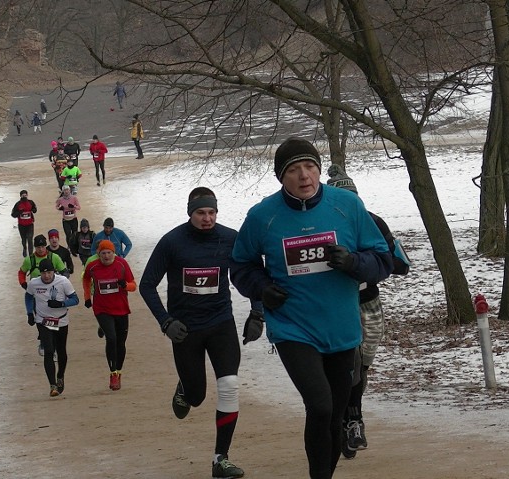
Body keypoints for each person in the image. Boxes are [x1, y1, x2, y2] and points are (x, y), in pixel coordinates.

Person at [230, 137, 392, 479]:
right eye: (293, 169)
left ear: (319, 170)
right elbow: (241, 265)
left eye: (310, 167)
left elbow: (383, 260)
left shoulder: (346, 206)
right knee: (319, 404)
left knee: (333, 414)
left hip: (342, 325)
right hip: (293, 325)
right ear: (281, 177)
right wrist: (261, 289)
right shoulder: (263, 216)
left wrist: (353, 262)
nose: (304, 176)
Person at [139, 187, 263, 479]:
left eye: (211, 212)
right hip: (185, 330)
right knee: (197, 396)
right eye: (201, 213)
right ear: (190, 213)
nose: (207, 218)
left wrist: (258, 313)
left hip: (221, 324)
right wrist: (166, 322)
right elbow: (146, 285)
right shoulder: (172, 242)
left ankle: (221, 459)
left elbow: (252, 275)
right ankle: (186, 389)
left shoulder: (231, 239)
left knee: (230, 386)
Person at [327, 164, 390, 458]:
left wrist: (365, 262)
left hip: (369, 302)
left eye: (354, 197)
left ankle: (346, 416)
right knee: (349, 366)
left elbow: (395, 263)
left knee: (361, 367)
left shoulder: (373, 221)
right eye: (344, 198)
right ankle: (352, 421)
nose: (350, 204)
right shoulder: (324, 226)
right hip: (338, 306)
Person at [82, 239, 137, 390]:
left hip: (121, 308)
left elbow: (133, 285)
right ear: (98, 254)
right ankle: (113, 373)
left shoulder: (121, 264)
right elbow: (86, 279)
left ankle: (119, 371)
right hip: (102, 309)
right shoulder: (92, 266)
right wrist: (87, 297)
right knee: (111, 338)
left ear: (114, 253)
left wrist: (125, 285)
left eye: (109, 253)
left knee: (120, 343)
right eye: (103, 253)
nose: (106, 256)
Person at [25, 258, 78, 397]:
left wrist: (60, 304)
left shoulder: (63, 282)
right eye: (43, 273)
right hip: (43, 321)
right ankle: (52, 385)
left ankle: (60, 375)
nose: (46, 276)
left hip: (60, 321)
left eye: (49, 272)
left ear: (54, 271)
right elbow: (28, 297)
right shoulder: (34, 283)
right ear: (39, 274)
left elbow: (75, 299)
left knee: (61, 352)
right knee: (48, 350)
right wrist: (30, 313)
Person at [19, 234, 69, 357]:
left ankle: (52, 343)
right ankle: (44, 340)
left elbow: (64, 272)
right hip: (37, 295)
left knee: (53, 317)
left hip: (53, 294)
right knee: (40, 318)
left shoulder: (54, 257)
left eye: (42, 246)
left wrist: (62, 283)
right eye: (38, 247)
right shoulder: (29, 260)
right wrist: (24, 284)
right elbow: (21, 272)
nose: (40, 249)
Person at [11, 190, 37, 257]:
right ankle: (24, 248)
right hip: (21, 225)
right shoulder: (17, 204)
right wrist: (19, 212)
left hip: (30, 224)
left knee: (30, 239)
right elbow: (13, 214)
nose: (24, 196)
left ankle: (31, 254)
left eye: (25, 195)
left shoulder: (31, 202)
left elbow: (35, 209)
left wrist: (33, 210)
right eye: (23, 195)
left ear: (27, 195)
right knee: (23, 239)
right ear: (20, 196)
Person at [56, 185, 81, 252]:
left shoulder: (74, 198)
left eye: (67, 190)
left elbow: (79, 207)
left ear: (70, 190)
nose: (66, 191)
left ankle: (75, 247)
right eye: (65, 190)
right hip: (65, 220)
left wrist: (74, 206)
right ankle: (70, 247)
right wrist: (60, 208)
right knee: (68, 235)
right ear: (63, 191)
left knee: (75, 234)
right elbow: (56, 206)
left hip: (74, 219)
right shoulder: (60, 199)